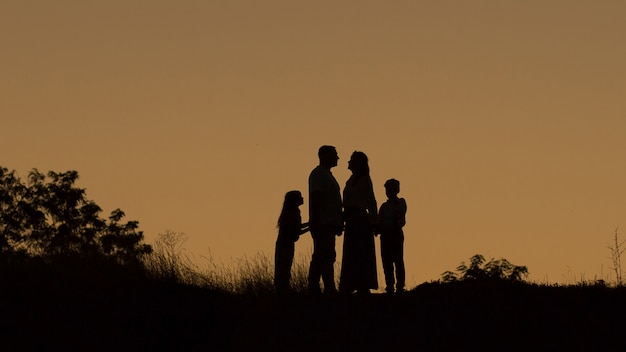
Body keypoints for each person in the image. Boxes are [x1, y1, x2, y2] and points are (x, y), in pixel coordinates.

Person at [339, 151, 378, 294]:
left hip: (360, 220)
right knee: (352, 252)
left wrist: (375, 222)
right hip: (351, 219)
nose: (348, 162)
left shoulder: (364, 180)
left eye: (351, 160)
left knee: (361, 252)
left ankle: (363, 284)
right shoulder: (351, 180)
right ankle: (351, 283)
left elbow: (371, 202)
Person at [308, 145, 343, 294]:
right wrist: (315, 221)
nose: (337, 158)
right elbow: (315, 197)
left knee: (326, 255)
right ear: (325, 156)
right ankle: (322, 287)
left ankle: (319, 287)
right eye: (334, 154)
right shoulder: (318, 174)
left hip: (329, 223)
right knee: (323, 256)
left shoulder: (327, 175)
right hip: (323, 223)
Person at [274, 190, 310, 294]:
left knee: (283, 267)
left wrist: (309, 225)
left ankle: (282, 290)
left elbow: (297, 229)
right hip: (286, 244)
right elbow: (297, 230)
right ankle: (283, 290)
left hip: (284, 243)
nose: (303, 198)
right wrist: (310, 226)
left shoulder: (290, 212)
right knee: (284, 267)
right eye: (300, 196)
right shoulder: (294, 212)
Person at [378, 179, 407, 294]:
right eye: (387, 189)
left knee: (398, 260)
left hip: (395, 234)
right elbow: (379, 220)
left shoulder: (401, 202)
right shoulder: (384, 206)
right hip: (386, 235)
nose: (388, 192)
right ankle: (390, 284)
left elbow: (401, 217)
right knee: (387, 261)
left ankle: (400, 285)